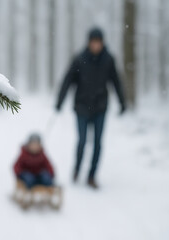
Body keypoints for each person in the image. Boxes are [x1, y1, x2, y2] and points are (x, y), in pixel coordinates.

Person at [55, 27, 126, 189]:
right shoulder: (80, 59)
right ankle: (77, 169)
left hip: (100, 107)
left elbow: (116, 82)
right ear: (89, 42)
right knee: (82, 142)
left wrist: (122, 102)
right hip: (82, 107)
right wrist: (60, 101)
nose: (96, 45)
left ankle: (92, 176)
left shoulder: (108, 59)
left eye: (98, 42)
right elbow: (68, 80)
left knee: (98, 143)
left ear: (102, 43)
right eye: (93, 42)